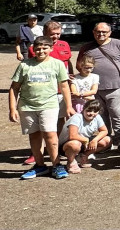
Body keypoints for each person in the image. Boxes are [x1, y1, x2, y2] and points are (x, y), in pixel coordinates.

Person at [9, 36, 74, 180]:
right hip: (27, 106)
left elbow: (64, 86)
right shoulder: (25, 65)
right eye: (38, 48)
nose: (41, 51)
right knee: (34, 135)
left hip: (49, 105)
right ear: (33, 49)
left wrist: (69, 106)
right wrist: (12, 109)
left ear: (51, 49)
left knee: (50, 135)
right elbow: (14, 88)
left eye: (45, 48)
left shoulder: (57, 64)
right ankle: (40, 165)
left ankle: (56, 165)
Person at [78, 22, 120, 152]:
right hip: (94, 89)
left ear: (110, 33)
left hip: (115, 86)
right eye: (98, 32)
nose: (101, 34)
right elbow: (80, 64)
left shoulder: (119, 44)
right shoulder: (86, 48)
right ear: (93, 32)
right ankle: (106, 140)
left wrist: (116, 72)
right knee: (101, 116)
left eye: (104, 32)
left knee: (116, 114)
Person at [58, 100, 111, 174]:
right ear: (84, 109)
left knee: (107, 140)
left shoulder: (97, 117)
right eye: (89, 110)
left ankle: (84, 156)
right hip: (67, 145)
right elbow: (72, 136)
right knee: (75, 144)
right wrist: (86, 140)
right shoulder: (77, 117)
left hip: (83, 143)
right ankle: (71, 162)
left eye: (95, 111)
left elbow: (104, 131)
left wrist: (95, 140)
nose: (91, 113)